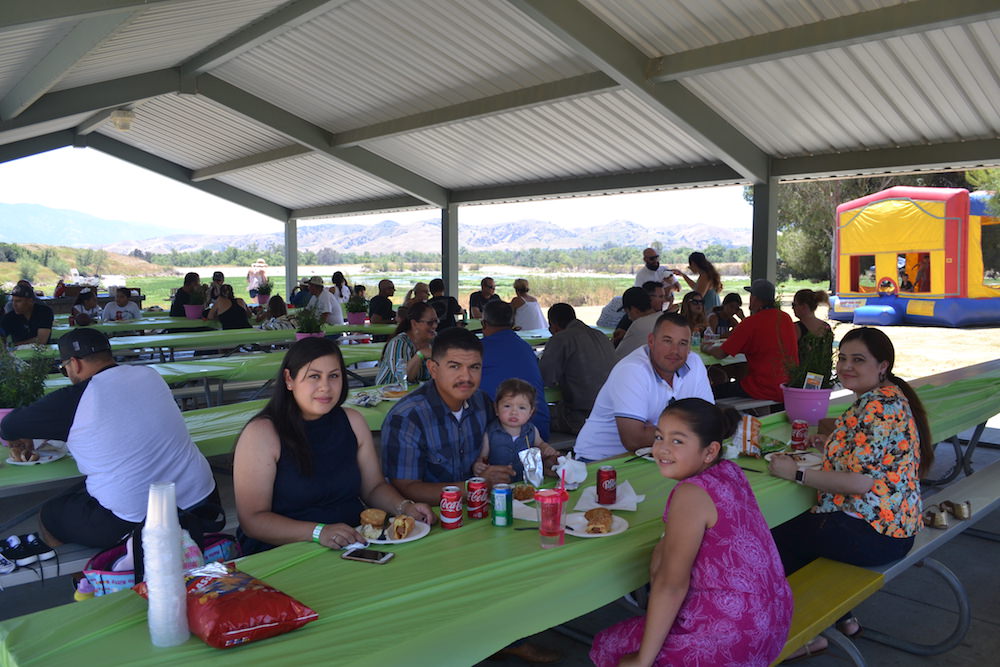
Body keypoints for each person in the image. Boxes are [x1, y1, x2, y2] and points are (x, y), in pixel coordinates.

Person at [769, 327, 933, 657]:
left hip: (873, 533)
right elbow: (872, 453)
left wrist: (797, 472)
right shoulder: (886, 397)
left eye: (858, 360)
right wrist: (832, 445)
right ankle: (845, 620)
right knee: (803, 531)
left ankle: (803, 635)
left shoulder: (876, 407)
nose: (846, 366)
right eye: (842, 358)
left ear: (882, 365)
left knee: (772, 538)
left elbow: (860, 482)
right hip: (893, 526)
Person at [591, 398, 792, 666]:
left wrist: (642, 660)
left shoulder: (691, 493)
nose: (661, 449)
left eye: (677, 441)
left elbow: (671, 584)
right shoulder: (730, 470)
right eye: (659, 436)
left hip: (732, 633)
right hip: (773, 619)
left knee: (608, 645)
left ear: (709, 451)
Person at [0, 329, 220, 550]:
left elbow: (8, 426)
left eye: (64, 369)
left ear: (74, 363)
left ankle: (88, 581)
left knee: (51, 514)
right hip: (203, 499)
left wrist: (27, 436)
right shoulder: (149, 374)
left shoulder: (75, 399)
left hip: (137, 519)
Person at [233, 337, 435, 555]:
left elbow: (373, 487)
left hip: (352, 542)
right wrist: (319, 532)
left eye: (334, 376)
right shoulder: (262, 434)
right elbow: (252, 520)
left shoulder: (353, 421)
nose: (325, 387)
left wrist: (405, 508)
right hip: (284, 551)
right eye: (314, 376)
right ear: (289, 379)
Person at [381, 327, 510, 503]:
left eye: (474, 367)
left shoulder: (483, 403)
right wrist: (476, 486)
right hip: (429, 519)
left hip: (481, 509)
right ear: (433, 369)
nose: (466, 377)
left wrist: (542, 457)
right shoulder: (407, 417)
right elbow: (406, 488)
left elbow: (505, 443)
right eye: (454, 366)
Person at [574, 313, 714, 462]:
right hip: (602, 460)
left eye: (683, 343)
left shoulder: (694, 364)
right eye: (667, 341)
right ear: (651, 341)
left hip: (656, 455)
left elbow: (709, 420)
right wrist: (690, 430)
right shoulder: (633, 370)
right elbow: (633, 439)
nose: (675, 351)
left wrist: (657, 432)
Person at [706, 279, 798, 402]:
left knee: (711, 392)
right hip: (788, 385)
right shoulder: (785, 318)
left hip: (761, 387)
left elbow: (720, 354)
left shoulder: (751, 322)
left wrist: (706, 347)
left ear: (754, 298)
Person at [479, 300, 550, 440]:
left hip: (502, 435)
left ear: (484, 324)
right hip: (539, 430)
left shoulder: (477, 351)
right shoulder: (526, 348)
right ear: (512, 324)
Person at [540, 303, 615, 435]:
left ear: (554, 325)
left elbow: (545, 379)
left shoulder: (560, 339)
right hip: (613, 414)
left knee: (532, 413)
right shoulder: (601, 335)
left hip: (581, 417)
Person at [474, 379, 558, 483]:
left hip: (526, 484)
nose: (514, 412)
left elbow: (540, 443)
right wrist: (478, 465)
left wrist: (546, 448)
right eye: (507, 406)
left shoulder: (531, 430)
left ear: (530, 412)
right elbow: (482, 457)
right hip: (499, 487)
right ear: (496, 409)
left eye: (521, 408)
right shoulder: (490, 433)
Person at [375, 301, 436, 385]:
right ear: (414, 324)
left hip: (419, 394)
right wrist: (420, 355)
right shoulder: (399, 343)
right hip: (389, 395)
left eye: (436, 321)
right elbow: (404, 378)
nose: (434, 326)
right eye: (430, 322)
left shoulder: (434, 341)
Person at [792, 288, 834, 384]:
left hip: (802, 376)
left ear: (804, 307)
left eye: (794, 305)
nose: (792, 308)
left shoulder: (796, 328)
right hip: (823, 374)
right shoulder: (826, 327)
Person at [614, 287, 660, 361]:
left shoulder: (638, 325)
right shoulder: (662, 318)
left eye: (627, 312)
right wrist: (626, 335)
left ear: (633, 309)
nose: (629, 317)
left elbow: (616, 357)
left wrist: (612, 342)